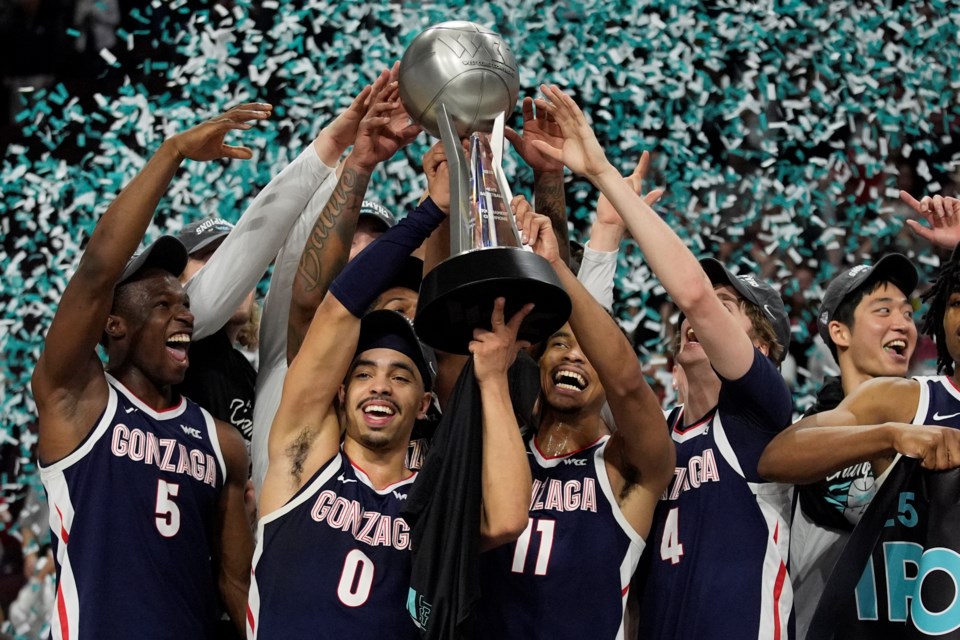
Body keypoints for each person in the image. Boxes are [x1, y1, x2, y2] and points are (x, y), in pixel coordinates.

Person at [531, 84, 795, 638]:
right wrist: (604, 235)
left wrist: (601, 170)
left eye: (729, 310)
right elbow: (590, 358)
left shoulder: (759, 412)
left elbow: (692, 294)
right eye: (708, 308)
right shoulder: (655, 434)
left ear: (763, 349)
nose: (699, 316)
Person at [31, 105, 265, 637]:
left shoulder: (224, 443)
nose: (183, 313)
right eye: (161, 305)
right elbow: (97, 270)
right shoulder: (76, 400)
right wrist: (173, 152)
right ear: (113, 324)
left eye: (184, 303)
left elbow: (235, 586)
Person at [248, 214, 533, 637]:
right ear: (342, 393)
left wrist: (492, 378)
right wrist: (429, 213)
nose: (380, 386)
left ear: (423, 405)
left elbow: (507, 519)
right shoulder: (303, 463)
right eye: (364, 374)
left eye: (399, 376)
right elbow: (333, 311)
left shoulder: (429, 503)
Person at [475, 198, 674, 639]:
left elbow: (627, 383)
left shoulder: (627, 466)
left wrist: (559, 268)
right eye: (561, 344)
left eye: (590, 351)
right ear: (539, 358)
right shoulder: (501, 450)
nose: (576, 357)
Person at [788, 254, 918, 638]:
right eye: (884, 310)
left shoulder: (933, 417)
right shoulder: (801, 441)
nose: (904, 324)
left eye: (909, 314)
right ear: (840, 333)